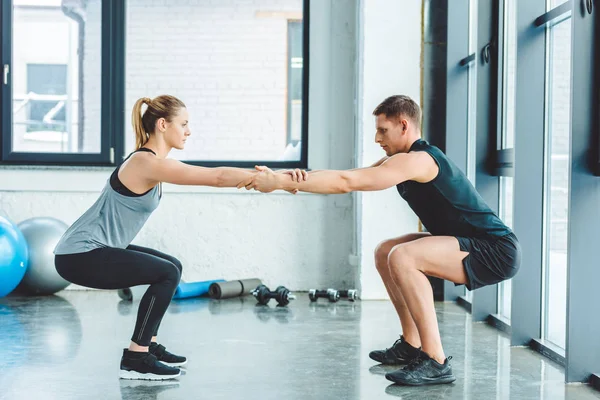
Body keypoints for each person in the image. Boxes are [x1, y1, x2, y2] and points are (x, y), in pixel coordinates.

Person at [238, 95, 521, 386]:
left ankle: (435, 361)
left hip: (496, 249)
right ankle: (411, 344)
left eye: (382, 130)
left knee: (402, 256)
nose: (377, 138)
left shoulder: (419, 160)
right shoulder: (399, 160)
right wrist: (291, 177)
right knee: (385, 251)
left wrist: (281, 183)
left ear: (403, 125)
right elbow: (349, 176)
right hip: (466, 241)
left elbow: (347, 183)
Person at [53, 95, 297, 380]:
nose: (188, 131)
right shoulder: (145, 163)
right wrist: (272, 179)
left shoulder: (151, 162)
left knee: (172, 266)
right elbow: (216, 177)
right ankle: (137, 357)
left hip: (94, 249)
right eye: (184, 124)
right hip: (79, 255)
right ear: (162, 124)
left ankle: (149, 345)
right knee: (166, 273)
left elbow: (215, 175)